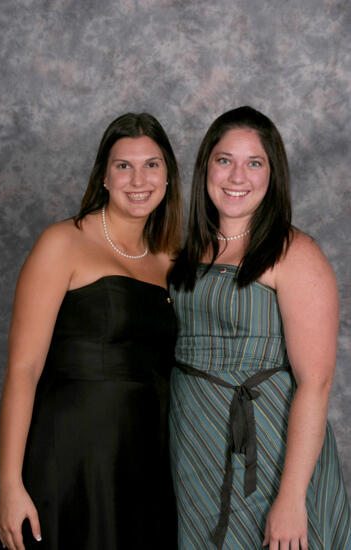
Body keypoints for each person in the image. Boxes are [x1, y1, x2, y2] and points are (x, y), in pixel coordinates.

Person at [0, 112, 182, 550]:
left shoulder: (172, 258)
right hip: (66, 459)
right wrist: (12, 485)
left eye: (151, 165)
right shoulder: (62, 243)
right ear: (105, 177)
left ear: (169, 177)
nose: (138, 179)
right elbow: (24, 368)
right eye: (123, 166)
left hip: (143, 461)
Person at [168, 106, 351, 549]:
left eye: (255, 163)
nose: (237, 176)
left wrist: (291, 498)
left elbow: (316, 382)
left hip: (269, 449)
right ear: (206, 166)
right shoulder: (186, 249)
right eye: (225, 160)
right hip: (195, 442)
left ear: (273, 174)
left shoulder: (294, 252)